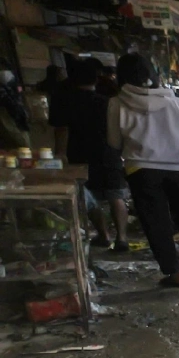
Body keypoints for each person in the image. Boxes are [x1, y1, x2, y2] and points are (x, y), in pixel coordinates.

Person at [107, 53, 179, 288]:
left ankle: (174, 275)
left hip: (142, 170)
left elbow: (114, 143)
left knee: (157, 223)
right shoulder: (175, 102)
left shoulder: (117, 103)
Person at [53, 58, 129, 250]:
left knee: (89, 200)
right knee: (115, 195)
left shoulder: (65, 101)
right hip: (109, 152)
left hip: (80, 155)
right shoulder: (107, 103)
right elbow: (120, 128)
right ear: (95, 80)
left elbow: (61, 130)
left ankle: (104, 236)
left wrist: (60, 153)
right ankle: (122, 238)